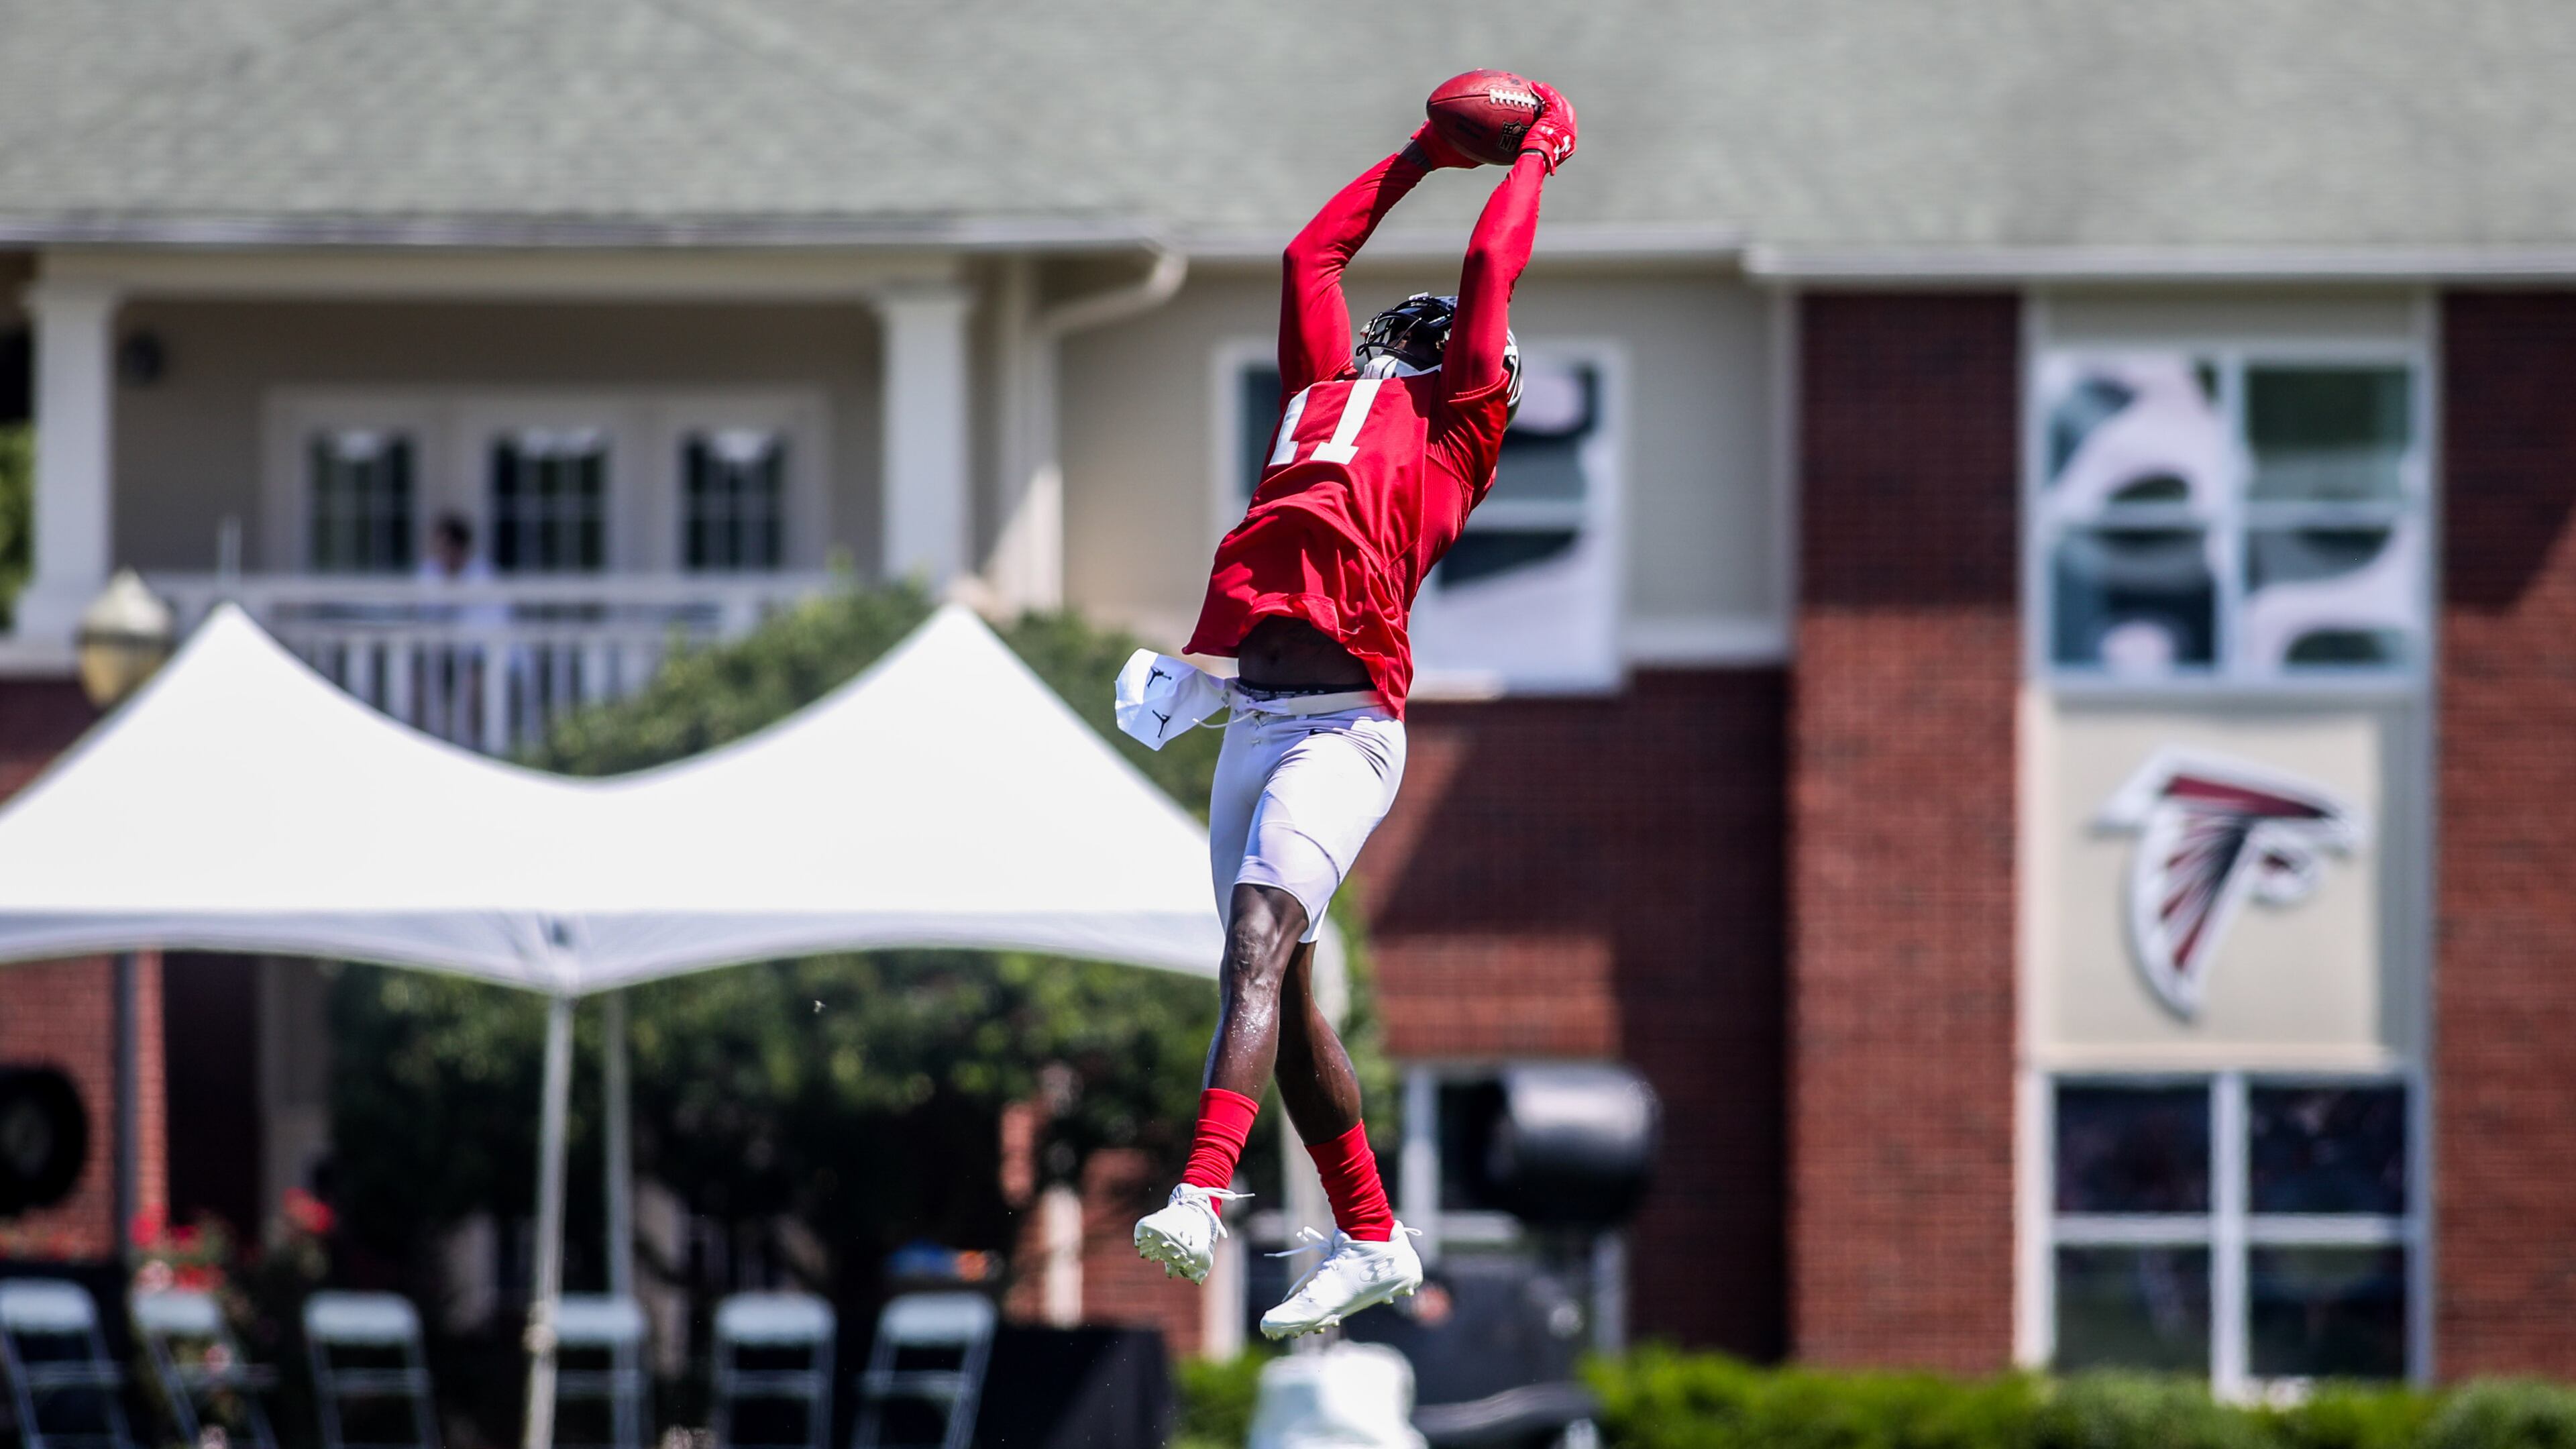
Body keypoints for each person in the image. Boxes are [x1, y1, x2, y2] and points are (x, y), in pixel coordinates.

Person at [1126, 78, 1577, 1340]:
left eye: (1451, 333)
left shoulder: (1450, 433)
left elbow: (1493, 262)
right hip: (1253, 723)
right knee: (1285, 991)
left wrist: (1530, 156)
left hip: (1342, 728)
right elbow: (1308, 250)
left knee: (1254, 946)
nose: (1422, 328)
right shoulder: (1325, 395)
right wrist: (1422, 154)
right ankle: (1374, 1237)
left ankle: (1203, 1192)